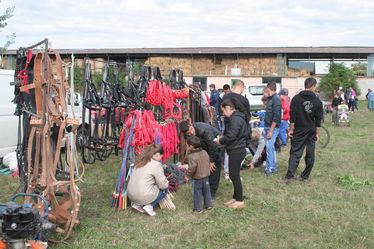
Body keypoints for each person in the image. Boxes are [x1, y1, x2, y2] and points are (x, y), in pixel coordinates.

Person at [284, 77, 323, 183]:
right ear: (313, 86)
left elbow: (293, 116)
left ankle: (289, 176)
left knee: (295, 152)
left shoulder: (296, 99)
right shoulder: (317, 101)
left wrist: (291, 130)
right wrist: (317, 133)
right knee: (310, 154)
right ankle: (305, 176)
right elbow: (318, 120)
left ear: (305, 85)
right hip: (311, 130)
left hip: (299, 129)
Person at [216, 98, 248, 209]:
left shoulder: (235, 119)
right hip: (236, 149)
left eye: (223, 111)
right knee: (234, 175)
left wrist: (220, 140)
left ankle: (239, 200)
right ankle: (235, 197)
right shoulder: (237, 118)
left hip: (237, 150)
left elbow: (231, 136)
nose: (223, 114)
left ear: (228, 108)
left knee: (234, 176)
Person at [179, 121, 223, 199]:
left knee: (214, 170)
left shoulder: (205, 130)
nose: (190, 134)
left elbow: (213, 146)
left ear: (191, 125)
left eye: (191, 130)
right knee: (206, 170)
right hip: (206, 148)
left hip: (217, 147)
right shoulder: (188, 134)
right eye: (188, 134)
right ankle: (206, 190)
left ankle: (211, 194)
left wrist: (212, 161)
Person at [127, 144, 169, 216]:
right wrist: (167, 181)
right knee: (165, 189)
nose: (161, 159)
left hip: (130, 195)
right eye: (161, 156)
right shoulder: (156, 165)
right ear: (158, 155)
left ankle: (137, 205)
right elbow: (163, 185)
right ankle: (149, 206)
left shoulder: (140, 161)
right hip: (142, 195)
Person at [187, 136, 213, 213]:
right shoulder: (205, 152)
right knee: (207, 191)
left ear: (191, 146)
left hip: (197, 178)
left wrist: (188, 175)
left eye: (187, 145)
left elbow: (192, 168)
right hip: (206, 176)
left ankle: (198, 208)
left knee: (197, 193)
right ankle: (208, 205)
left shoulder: (191, 156)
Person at [263, 82, 282, 176]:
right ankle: (274, 166)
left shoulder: (276, 99)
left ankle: (269, 168)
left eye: (267, 89)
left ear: (269, 88)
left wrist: (271, 130)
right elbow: (263, 101)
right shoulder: (270, 98)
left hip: (273, 127)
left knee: (269, 147)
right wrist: (265, 95)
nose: (266, 91)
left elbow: (276, 117)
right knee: (271, 147)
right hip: (267, 126)